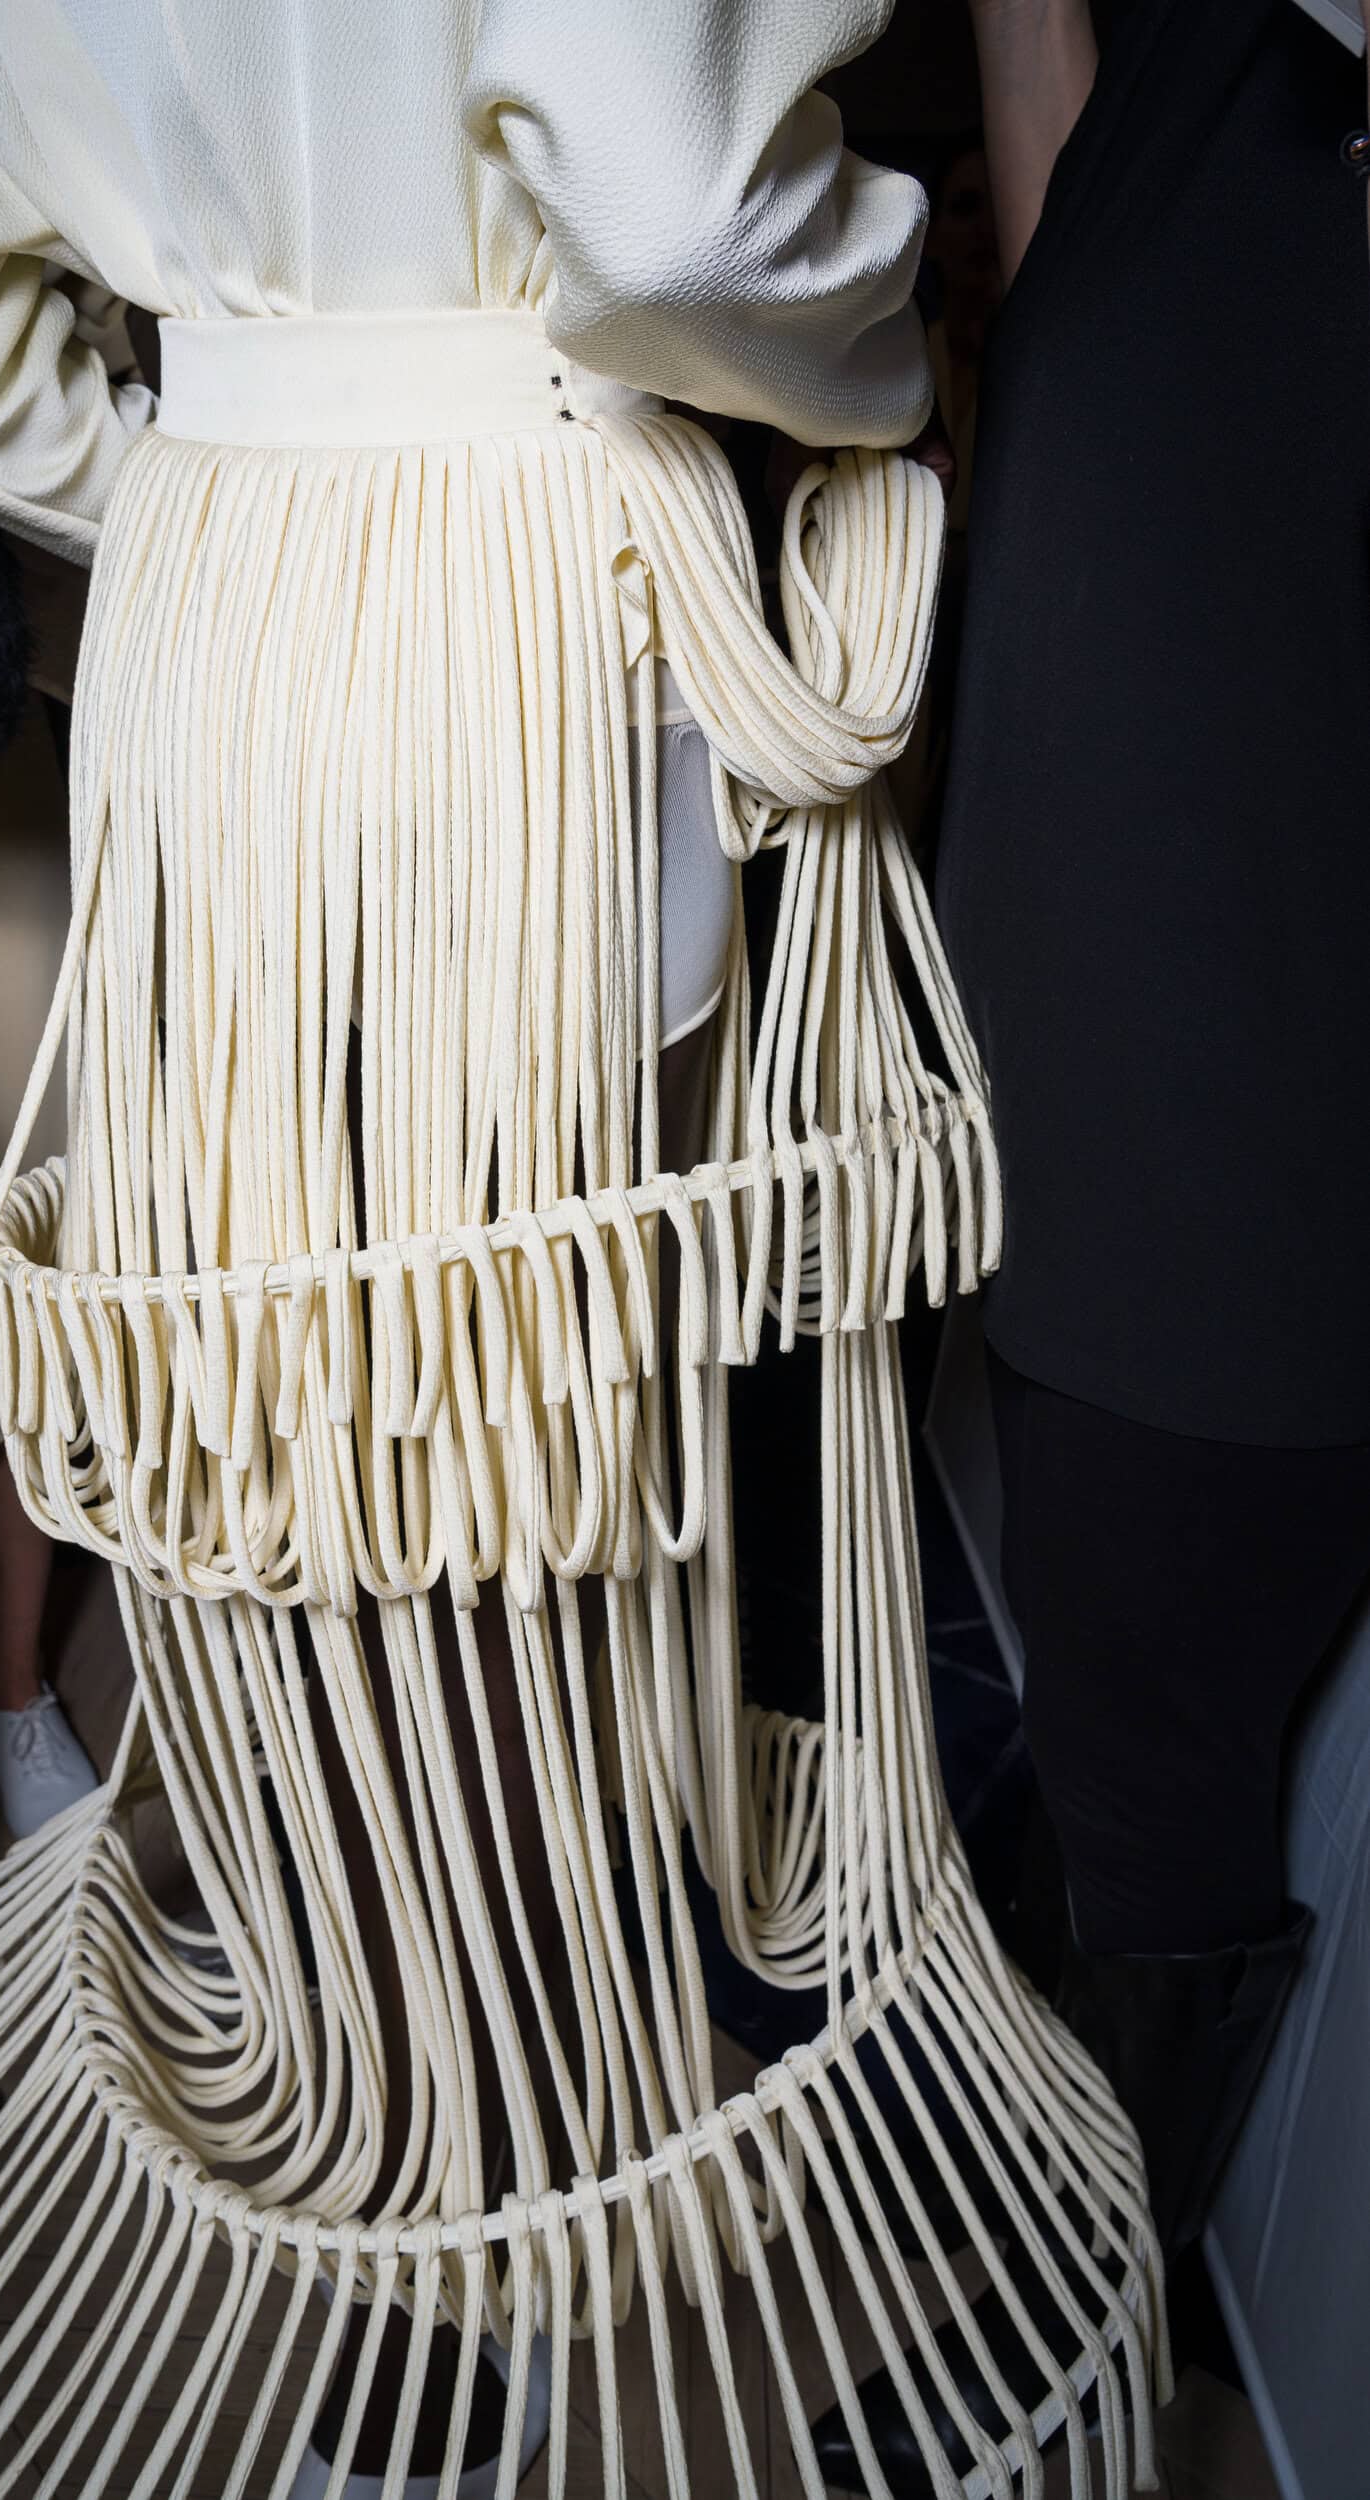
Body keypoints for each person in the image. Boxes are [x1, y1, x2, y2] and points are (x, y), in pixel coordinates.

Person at [0, 6, 1168, 2495]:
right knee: (549, 1456)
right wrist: (870, 374)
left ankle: (407, 2207)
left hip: (220, 667)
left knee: (308, 1476)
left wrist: (225, 474)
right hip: (526, 644)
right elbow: (677, 208)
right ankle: (516, 2165)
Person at [811, 0, 1370, 2486]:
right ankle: (1035, 2189)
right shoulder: (1168, 84)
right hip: (1070, 1099)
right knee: (1076, 1641)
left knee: (1153, 1740)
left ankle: (1080, 2345)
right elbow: (1055, 209)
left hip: (1227, 1169)